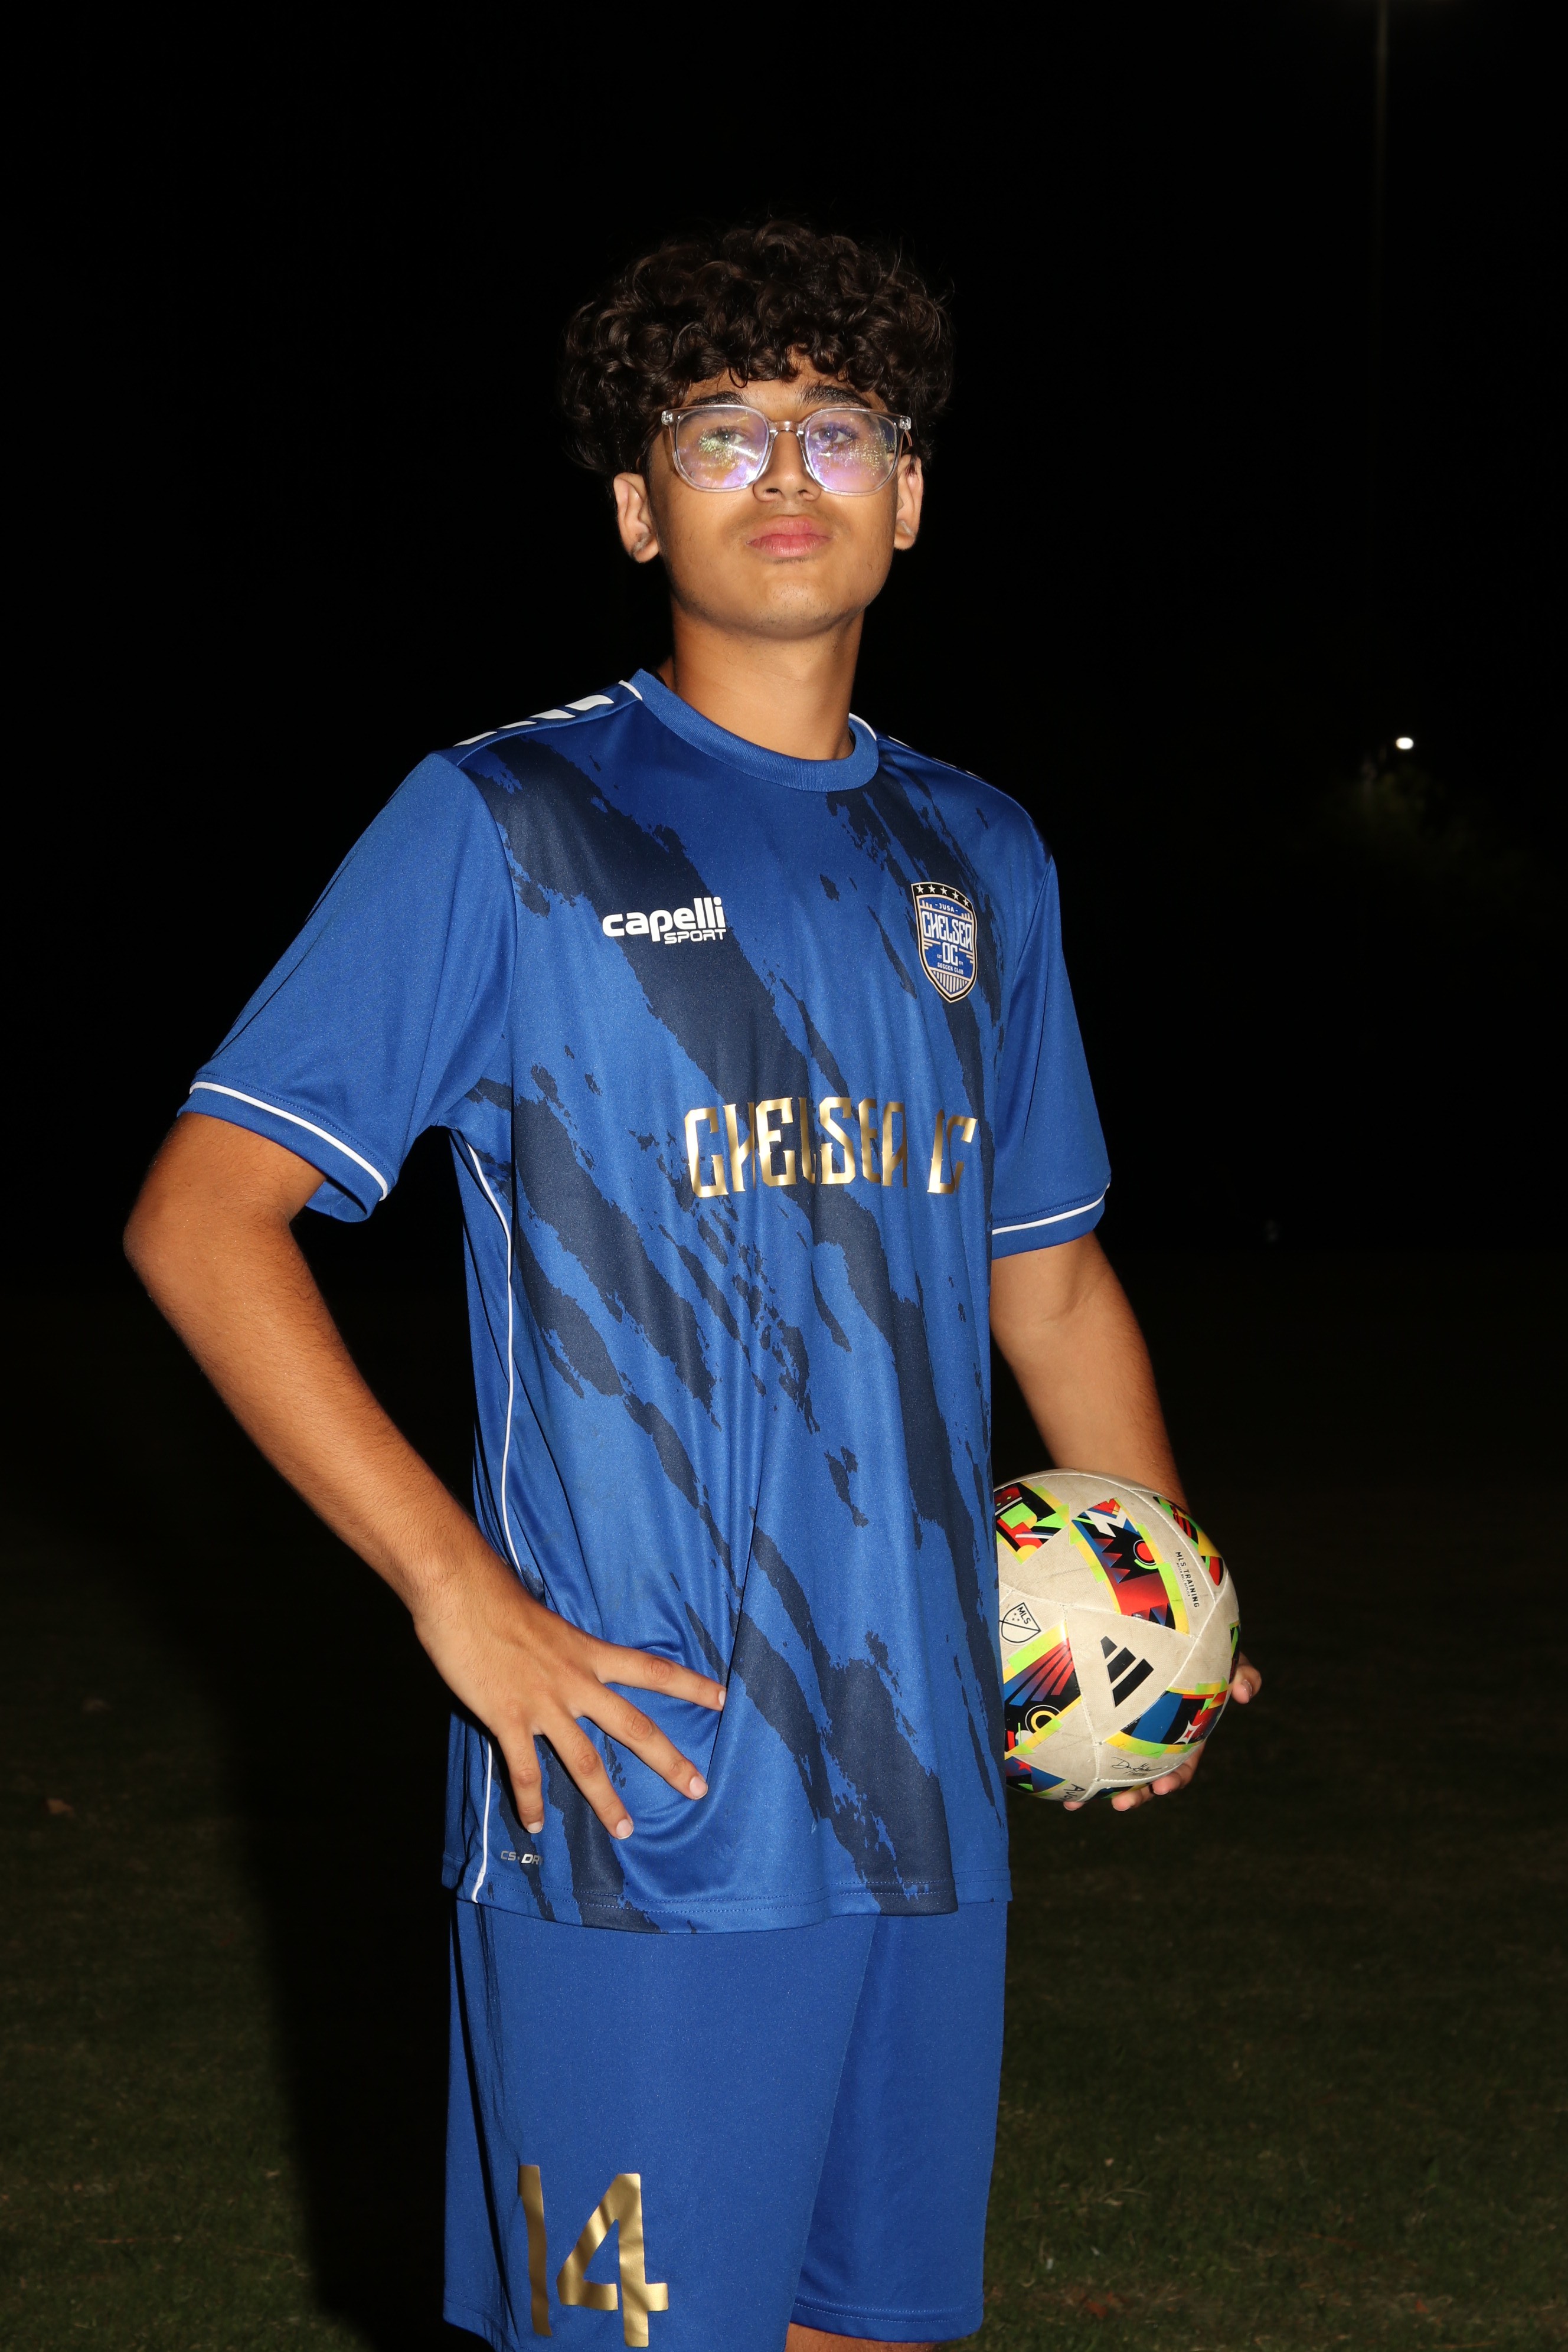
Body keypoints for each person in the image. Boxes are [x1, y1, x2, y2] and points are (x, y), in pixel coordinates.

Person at [126, 221, 1260, 2352]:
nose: (787, 472)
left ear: (911, 494)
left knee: (870, 2335)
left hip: (929, 1783)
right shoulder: (513, 819)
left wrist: (1158, 1607)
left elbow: (1049, 1284)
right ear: (642, 507)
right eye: (722, 432)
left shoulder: (978, 854)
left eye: (840, 429)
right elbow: (203, 1218)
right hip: (640, 1789)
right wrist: (458, 1597)